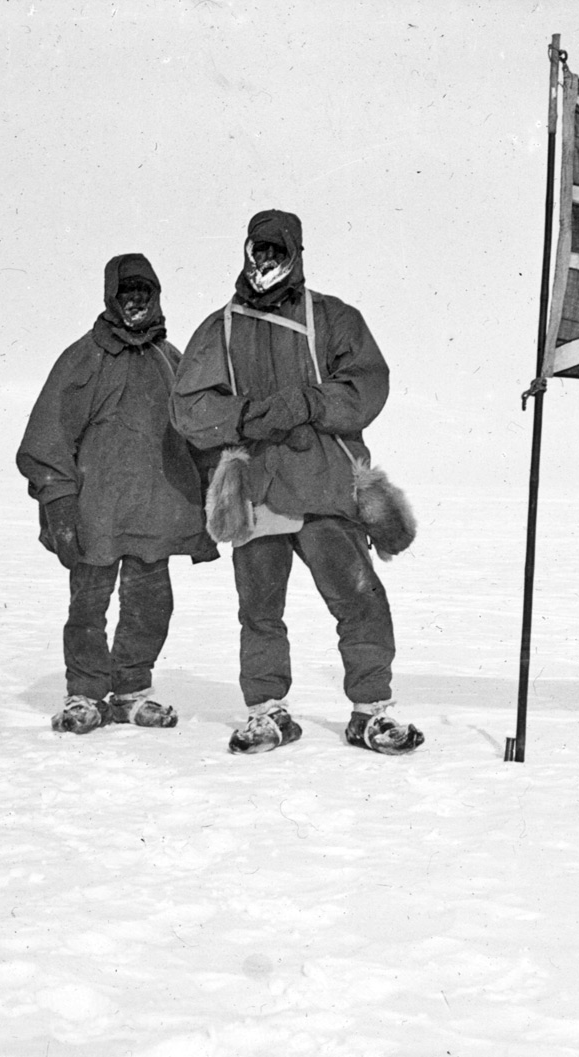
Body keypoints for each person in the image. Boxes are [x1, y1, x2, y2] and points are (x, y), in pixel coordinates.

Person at [171, 209, 423, 755]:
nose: (265, 260)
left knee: (359, 600)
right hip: (257, 490)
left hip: (326, 487)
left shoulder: (334, 318)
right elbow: (189, 408)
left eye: (275, 249)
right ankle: (266, 713)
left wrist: (309, 402)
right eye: (256, 249)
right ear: (244, 252)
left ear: (296, 254)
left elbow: (366, 388)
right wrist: (245, 416)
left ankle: (372, 712)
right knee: (259, 610)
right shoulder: (221, 328)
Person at [17, 254, 218, 735]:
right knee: (88, 606)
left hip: (157, 512)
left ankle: (132, 689)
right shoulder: (83, 358)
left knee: (150, 605)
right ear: (111, 297)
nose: (134, 302)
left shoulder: (172, 361)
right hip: (96, 515)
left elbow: (201, 435)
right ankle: (84, 694)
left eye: (142, 293)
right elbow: (47, 437)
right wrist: (60, 506)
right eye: (125, 293)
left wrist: (215, 491)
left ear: (156, 297)